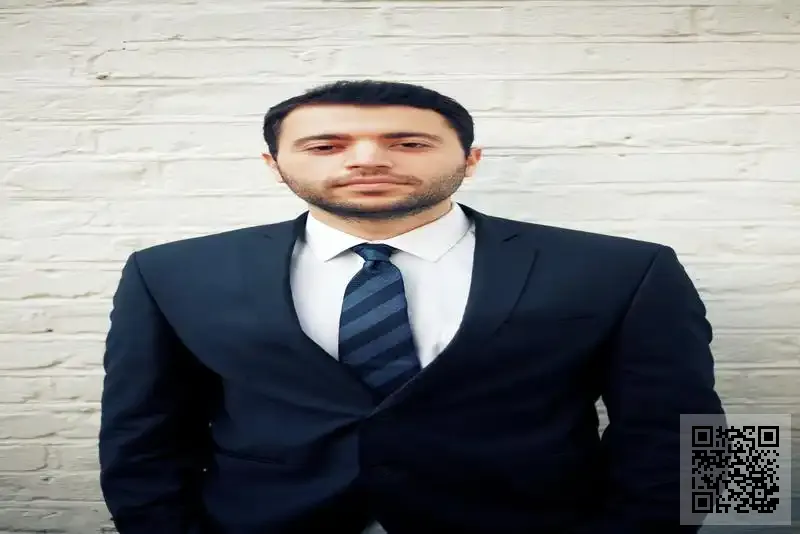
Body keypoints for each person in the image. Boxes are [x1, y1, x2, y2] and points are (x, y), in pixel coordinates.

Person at [99, 79, 725, 534]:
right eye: (326, 145)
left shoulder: (627, 267)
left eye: (408, 142)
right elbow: (140, 433)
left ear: (470, 160)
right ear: (274, 165)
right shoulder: (168, 272)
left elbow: (693, 430)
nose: (368, 159)